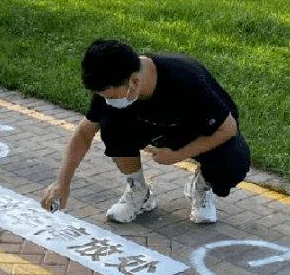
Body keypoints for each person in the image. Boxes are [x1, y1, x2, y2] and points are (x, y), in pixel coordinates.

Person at [41, 39, 250, 224]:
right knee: (111, 123)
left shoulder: (186, 78)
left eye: (112, 95)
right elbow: (83, 135)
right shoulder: (112, 84)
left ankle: (202, 185)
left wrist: (178, 155)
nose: (108, 100)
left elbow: (228, 128)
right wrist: (62, 183)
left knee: (234, 160)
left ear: (134, 81)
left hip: (197, 131)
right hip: (153, 130)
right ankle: (139, 192)